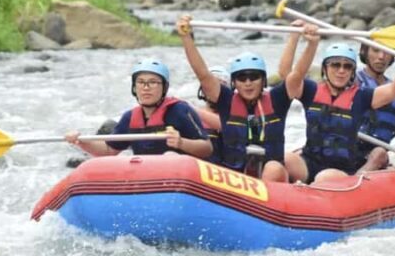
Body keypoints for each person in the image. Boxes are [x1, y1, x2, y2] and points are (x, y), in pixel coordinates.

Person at [177, 15, 313, 182]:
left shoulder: (277, 100)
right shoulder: (226, 101)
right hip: (235, 180)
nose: (248, 83)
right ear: (234, 82)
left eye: (253, 77)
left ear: (263, 80)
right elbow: (203, 74)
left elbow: (297, 74)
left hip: (271, 179)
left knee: (274, 168)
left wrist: (311, 44)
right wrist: (186, 37)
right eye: (242, 78)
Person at [281, 26, 395, 184]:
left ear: (352, 72)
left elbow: (394, 91)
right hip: (310, 161)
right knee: (282, 160)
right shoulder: (312, 90)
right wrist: (298, 38)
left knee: (324, 178)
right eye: (335, 65)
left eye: (347, 66)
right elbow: (288, 75)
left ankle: (356, 181)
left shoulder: (361, 96)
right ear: (325, 68)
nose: (341, 70)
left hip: (342, 168)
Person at [64, 58, 212, 159]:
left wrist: (181, 143)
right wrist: (81, 141)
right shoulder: (130, 117)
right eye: (141, 82)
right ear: (134, 87)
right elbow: (109, 150)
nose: (146, 88)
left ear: (164, 87)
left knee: (170, 156)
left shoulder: (179, 110)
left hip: (181, 176)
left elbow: (207, 148)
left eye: (153, 82)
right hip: (147, 177)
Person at [354, 43, 395, 172]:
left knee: (380, 154)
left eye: (386, 52)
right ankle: (352, 183)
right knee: (380, 153)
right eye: (376, 50)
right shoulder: (353, 81)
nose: (381, 57)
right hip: (351, 149)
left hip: (378, 156)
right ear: (364, 52)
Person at [196, 65, 230, 164]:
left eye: (220, 86)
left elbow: (227, 125)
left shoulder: (237, 115)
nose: (215, 92)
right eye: (209, 87)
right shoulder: (190, 116)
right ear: (202, 90)